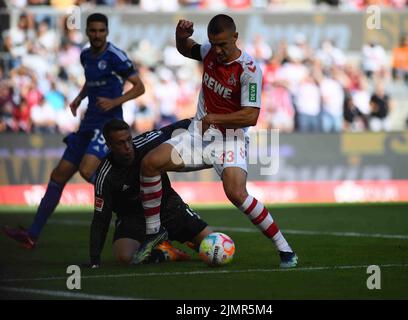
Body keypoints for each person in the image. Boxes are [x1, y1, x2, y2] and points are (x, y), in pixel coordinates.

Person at [133, 14, 298, 268]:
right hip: (199, 136)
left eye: (222, 44)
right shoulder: (209, 51)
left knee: (236, 193)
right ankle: (154, 233)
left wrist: (215, 117)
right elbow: (186, 49)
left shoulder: (249, 70)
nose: (217, 50)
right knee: (149, 163)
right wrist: (181, 36)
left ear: (235, 37)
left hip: (230, 140)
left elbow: (251, 116)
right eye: (213, 43)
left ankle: (285, 250)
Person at [3, 13, 145, 249]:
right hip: (88, 123)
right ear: (88, 32)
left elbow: (140, 87)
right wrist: (79, 98)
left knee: (87, 169)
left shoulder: (115, 56)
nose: (97, 34)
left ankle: (128, 204)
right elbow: (91, 81)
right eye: (93, 30)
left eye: (101, 30)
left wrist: (115, 101)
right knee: (58, 175)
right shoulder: (85, 55)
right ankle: (32, 235)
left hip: (107, 126)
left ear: (107, 32)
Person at [88, 118, 213, 267]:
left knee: (212, 244)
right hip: (133, 218)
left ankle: (185, 238)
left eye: (129, 140)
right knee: (124, 257)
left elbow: (173, 129)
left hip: (168, 206)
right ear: (109, 145)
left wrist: (203, 121)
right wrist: (95, 260)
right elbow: (100, 220)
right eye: (121, 143)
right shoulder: (106, 175)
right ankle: (166, 252)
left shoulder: (146, 142)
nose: (128, 147)